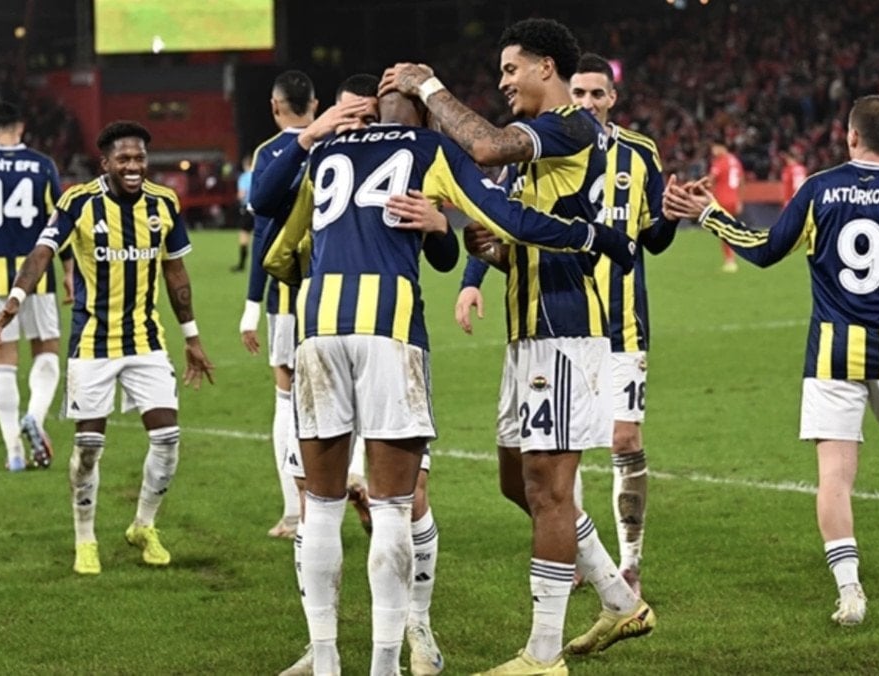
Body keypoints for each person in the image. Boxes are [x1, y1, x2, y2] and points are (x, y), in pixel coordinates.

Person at [662, 95, 879, 626]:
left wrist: (709, 215)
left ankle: (850, 593)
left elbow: (764, 250)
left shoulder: (818, 189)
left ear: (850, 136)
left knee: (835, 477)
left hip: (832, 350)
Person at [381, 18, 654, 674]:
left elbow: (483, 147)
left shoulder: (570, 125)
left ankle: (543, 654)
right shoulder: (541, 149)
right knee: (519, 483)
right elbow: (536, 235)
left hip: (565, 330)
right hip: (528, 329)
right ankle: (620, 601)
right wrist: (496, 251)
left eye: (511, 69)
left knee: (549, 490)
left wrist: (429, 87)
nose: (503, 82)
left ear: (545, 68)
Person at [256, 76, 443, 676]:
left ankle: (350, 653)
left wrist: (312, 135)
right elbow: (448, 252)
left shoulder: (328, 152)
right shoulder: (421, 147)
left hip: (321, 328)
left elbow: (269, 220)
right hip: (390, 330)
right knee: (392, 505)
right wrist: (442, 225)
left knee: (326, 506)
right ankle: (379, 658)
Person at [0, 120, 216, 575]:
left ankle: (143, 526)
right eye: (124, 159)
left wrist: (191, 336)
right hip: (92, 343)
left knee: (168, 440)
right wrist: (15, 299)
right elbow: (42, 252)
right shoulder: (78, 202)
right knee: (89, 447)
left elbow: (175, 271)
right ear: (105, 162)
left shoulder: (164, 203)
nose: (133, 166)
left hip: (146, 341)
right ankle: (85, 537)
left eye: (140, 158)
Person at [569, 53, 678, 598]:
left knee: (624, 438)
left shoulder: (640, 153)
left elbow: (653, 238)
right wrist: (473, 279)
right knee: (564, 445)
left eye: (597, 93)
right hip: (563, 320)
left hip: (623, 323)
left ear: (612, 98)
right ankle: (574, 552)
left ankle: (630, 562)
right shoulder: (547, 147)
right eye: (579, 93)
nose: (588, 102)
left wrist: (671, 214)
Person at [0, 102, 72, 472]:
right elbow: (59, 224)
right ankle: (34, 416)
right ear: (21, 127)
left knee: (3, 360)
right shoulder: (43, 165)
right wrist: (69, 270)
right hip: (37, 273)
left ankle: (14, 452)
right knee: (47, 350)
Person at [239, 70, 318, 540]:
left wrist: (251, 305)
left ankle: (293, 513)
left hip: (285, 298)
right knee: (341, 392)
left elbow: (264, 234)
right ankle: (351, 479)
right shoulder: (335, 142)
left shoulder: (269, 153)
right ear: (316, 103)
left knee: (286, 399)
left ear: (275, 106)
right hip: (334, 290)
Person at [708, 140, 744, 272]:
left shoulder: (720, 161)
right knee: (728, 228)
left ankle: (730, 261)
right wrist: (739, 200)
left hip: (722, 199)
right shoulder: (735, 161)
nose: (713, 151)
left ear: (721, 147)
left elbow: (711, 179)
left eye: (714, 148)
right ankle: (733, 257)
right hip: (734, 199)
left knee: (723, 230)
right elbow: (741, 181)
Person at [231, 154, 254, 272]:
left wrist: (238, 199)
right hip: (261, 209)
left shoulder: (244, 177)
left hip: (248, 208)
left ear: (245, 165)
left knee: (244, 234)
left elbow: (242, 194)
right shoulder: (261, 175)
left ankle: (241, 264)